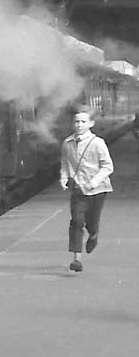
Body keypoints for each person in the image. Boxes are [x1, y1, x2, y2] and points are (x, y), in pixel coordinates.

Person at [59, 108, 113, 272]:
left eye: (83, 121)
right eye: (77, 121)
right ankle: (77, 259)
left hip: (97, 190)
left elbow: (108, 166)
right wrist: (63, 178)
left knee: (92, 222)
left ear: (91, 124)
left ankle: (94, 235)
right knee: (76, 222)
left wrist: (93, 182)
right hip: (78, 189)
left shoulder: (98, 143)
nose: (79, 125)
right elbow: (65, 163)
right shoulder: (67, 143)